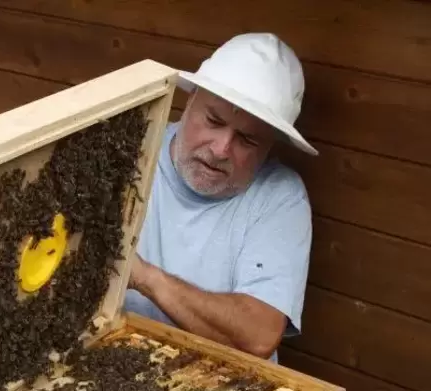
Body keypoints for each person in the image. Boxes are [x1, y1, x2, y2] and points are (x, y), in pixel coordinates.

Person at [124, 33, 318, 363]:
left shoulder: (281, 198)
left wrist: (143, 277)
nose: (220, 149)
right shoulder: (130, 151)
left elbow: (258, 335)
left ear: (271, 145)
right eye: (214, 120)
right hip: (112, 366)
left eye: (247, 139)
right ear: (190, 100)